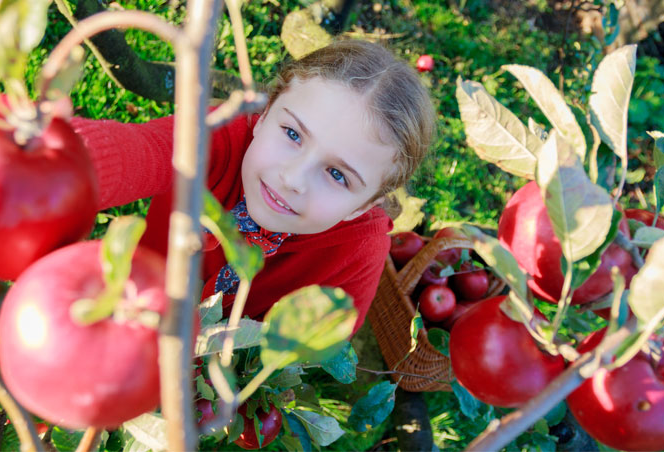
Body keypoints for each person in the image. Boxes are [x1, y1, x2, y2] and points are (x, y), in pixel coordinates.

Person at [71, 39, 435, 333]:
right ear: (264, 114)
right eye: (293, 134)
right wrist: (45, 153)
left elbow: (314, 345)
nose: (292, 178)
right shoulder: (213, 137)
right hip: (127, 296)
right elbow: (133, 153)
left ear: (364, 205)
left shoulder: (359, 251)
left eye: (337, 175)